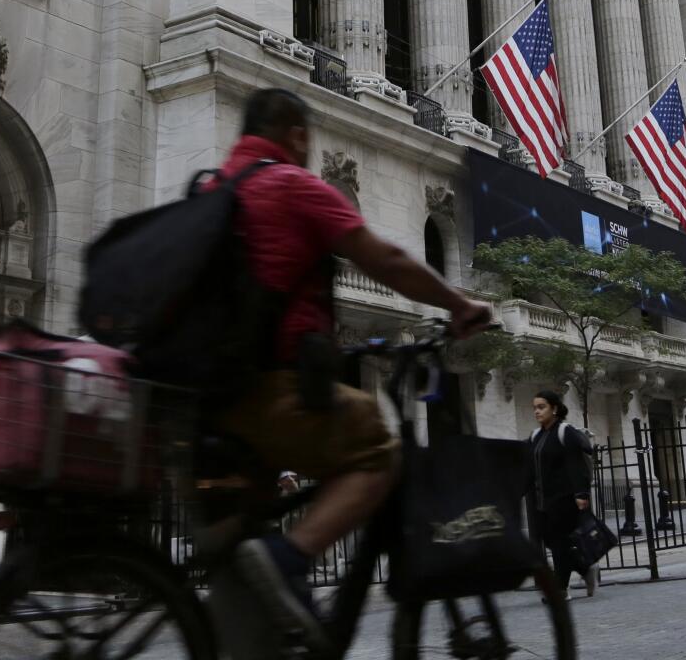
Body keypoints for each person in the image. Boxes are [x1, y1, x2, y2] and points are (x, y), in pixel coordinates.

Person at [217, 87, 493, 645]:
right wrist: (459, 305)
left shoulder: (216, 188)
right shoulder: (291, 185)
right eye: (307, 138)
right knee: (379, 447)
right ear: (295, 135)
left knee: (241, 538)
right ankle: (290, 557)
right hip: (269, 390)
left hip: (213, 401)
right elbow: (387, 258)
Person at [528, 390, 598, 600]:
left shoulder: (564, 432)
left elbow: (576, 465)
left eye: (542, 407)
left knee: (559, 543)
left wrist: (581, 493)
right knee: (552, 542)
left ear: (555, 409)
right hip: (542, 501)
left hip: (564, 499)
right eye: (535, 408)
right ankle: (585, 569)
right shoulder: (536, 436)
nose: (537, 412)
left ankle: (560, 589)